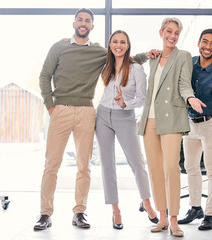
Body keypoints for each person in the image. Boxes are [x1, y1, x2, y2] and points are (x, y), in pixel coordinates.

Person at [34, 8, 157, 231]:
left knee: (84, 166)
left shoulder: (100, 52)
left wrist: (146, 56)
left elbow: (123, 58)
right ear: (73, 24)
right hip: (60, 109)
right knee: (51, 164)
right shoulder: (59, 47)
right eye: (79, 19)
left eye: (87, 20)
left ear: (92, 26)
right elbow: (44, 76)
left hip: (87, 112)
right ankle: (45, 213)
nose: (83, 23)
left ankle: (79, 211)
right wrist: (51, 106)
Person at [138, 17, 205, 238]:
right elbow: (151, 90)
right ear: (161, 32)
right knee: (156, 170)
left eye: (176, 33)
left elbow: (184, 84)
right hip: (150, 121)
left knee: (171, 168)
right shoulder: (153, 58)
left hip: (172, 118)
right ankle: (163, 218)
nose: (173, 36)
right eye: (169, 31)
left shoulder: (183, 56)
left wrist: (190, 98)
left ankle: (175, 220)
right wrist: (143, 115)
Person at [95, 30, 158, 230]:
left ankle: (146, 202)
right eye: (115, 42)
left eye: (123, 42)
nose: (118, 45)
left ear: (128, 45)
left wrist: (124, 103)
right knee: (107, 164)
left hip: (125, 116)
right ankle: (115, 210)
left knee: (137, 162)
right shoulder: (106, 66)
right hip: (103, 115)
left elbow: (143, 98)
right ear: (110, 45)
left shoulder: (137, 69)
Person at [177, 29, 212, 231]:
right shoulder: (189, 63)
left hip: (211, 123)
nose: (208, 46)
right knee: (191, 167)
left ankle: (210, 215)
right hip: (190, 123)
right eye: (205, 42)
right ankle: (195, 208)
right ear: (199, 42)